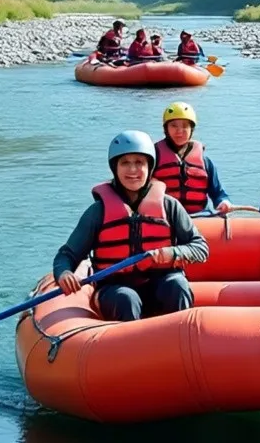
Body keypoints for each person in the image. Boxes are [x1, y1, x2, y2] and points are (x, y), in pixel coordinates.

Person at [54, 130, 208, 321]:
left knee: (177, 286)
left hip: (161, 282)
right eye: (125, 163)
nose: (133, 170)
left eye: (139, 163)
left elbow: (200, 248)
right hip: (115, 289)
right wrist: (64, 273)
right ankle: (132, 348)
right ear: (115, 168)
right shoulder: (98, 212)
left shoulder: (169, 206)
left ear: (150, 167)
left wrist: (173, 253)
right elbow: (67, 255)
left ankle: (183, 343)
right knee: (127, 298)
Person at [154, 102, 232, 216]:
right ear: (166, 128)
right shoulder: (154, 158)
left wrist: (223, 202)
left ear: (192, 129)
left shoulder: (205, 162)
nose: (179, 130)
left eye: (185, 126)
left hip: (200, 216)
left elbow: (218, 193)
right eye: (174, 125)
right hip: (167, 217)